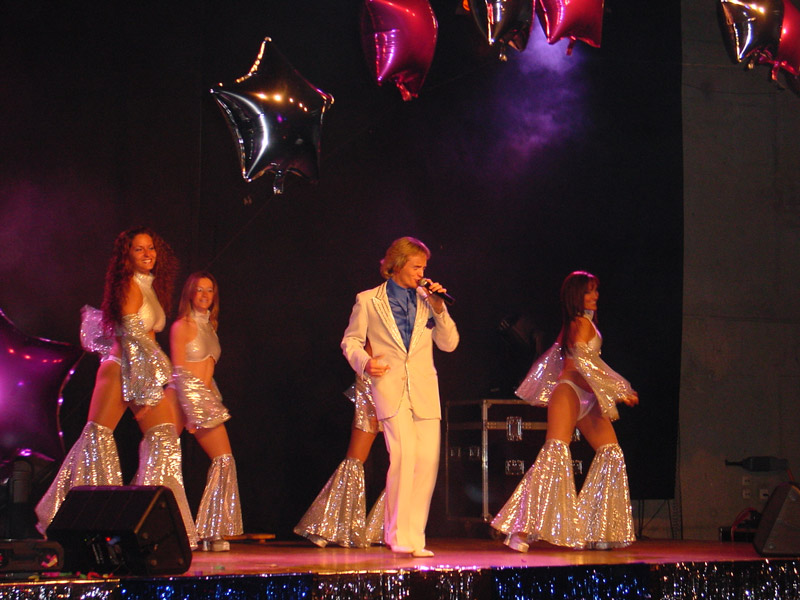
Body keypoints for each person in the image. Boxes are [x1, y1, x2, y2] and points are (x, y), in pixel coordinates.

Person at [35, 227, 198, 549]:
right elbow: (132, 338)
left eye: (151, 248)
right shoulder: (127, 286)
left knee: (164, 439)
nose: (147, 254)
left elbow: (145, 338)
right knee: (97, 439)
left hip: (141, 368)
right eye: (139, 249)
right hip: (122, 368)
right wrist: (150, 383)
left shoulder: (148, 285)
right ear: (127, 255)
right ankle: (79, 519)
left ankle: (154, 525)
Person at [491, 271, 638, 551]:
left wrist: (614, 390)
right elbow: (582, 364)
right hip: (569, 392)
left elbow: (588, 365)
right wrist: (619, 389)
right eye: (589, 291)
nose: (595, 296)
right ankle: (520, 530)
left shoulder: (586, 323)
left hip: (588, 397)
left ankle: (594, 528)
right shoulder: (577, 323)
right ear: (576, 296)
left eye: (595, 290)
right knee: (555, 453)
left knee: (611, 452)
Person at [341, 236, 459, 557]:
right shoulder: (369, 300)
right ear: (397, 264)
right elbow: (350, 341)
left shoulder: (427, 300)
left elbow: (449, 344)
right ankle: (397, 534)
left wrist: (439, 308)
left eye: (424, 267)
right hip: (390, 388)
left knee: (428, 460)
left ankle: (414, 537)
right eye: (416, 266)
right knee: (404, 455)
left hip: (424, 390)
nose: (422, 273)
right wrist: (365, 362)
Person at [169, 271, 243, 552]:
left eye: (209, 290)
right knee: (162, 459)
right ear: (189, 293)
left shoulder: (211, 326)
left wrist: (209, 400)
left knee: (224, 459)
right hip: (182, 397)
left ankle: (213, 530)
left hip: (205, 396)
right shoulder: (182, 326)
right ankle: (165, 530)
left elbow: (208, 370)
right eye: (199, 290)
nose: (204, 295)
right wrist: (192, 409)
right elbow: (178, 371)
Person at [293, 372, 386, 548]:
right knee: (356, 457)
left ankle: (386, 527)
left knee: (406, 460)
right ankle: (331, 526)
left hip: (406, 385)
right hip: (374, 381)